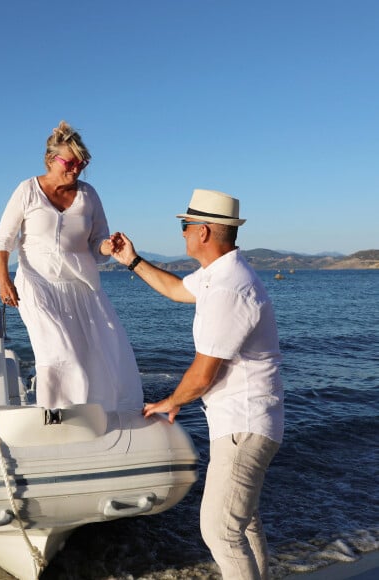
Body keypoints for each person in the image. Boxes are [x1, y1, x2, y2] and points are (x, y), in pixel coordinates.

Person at [110, 189, 284, 580]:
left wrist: (170, 402)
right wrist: (132, 260)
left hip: (244, 424)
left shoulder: (229, 288)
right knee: (243, 522)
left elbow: (204, 374)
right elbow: (175, 289)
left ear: (203, 232)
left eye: (185, 226)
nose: (182, 234)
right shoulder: (217, 275)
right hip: (248, 423)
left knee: (220, 531)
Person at [0, 121, 143, 412]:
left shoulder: (89, 195)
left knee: (100, 353)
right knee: (58, 352)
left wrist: (106, 247)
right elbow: (3, 239)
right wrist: (3, 279)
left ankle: (98, 411)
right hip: (37, 285)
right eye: (70, 162)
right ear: (51, 160)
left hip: (81, 287)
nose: (76, 169)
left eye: (82, 163)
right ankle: (54, 416)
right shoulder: (28, 190)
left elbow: (97, 240)